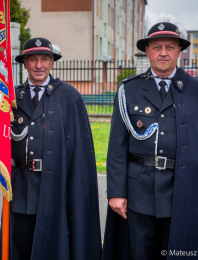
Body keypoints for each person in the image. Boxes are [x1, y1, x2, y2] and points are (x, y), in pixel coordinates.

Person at [0, 38, 102, 260]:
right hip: (19, 189)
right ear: (24, 63)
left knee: (52, 248)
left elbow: (81, 152)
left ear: (52, 63)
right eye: (33, 59)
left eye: (45, 59)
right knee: (19, 247)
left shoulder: (69, 97)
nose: (39, 65)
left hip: (55, 188)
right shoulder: (11, 97)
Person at [102, 22, 198, 260]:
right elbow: (116, 147)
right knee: (140, 254)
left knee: (179, 253)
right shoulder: (129, 90)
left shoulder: (195, 90)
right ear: (148, 52)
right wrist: (116, 192)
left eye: (169, 47)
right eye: (157, 47)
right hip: (139, 193)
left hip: (182, 190)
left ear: (179, 51)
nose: (163, 52)